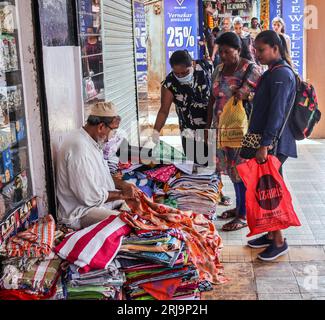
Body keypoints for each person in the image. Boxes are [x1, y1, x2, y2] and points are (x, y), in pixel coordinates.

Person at [152, 50, 232, 206]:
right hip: (189, 130)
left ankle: (218, 191)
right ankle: (202, 193)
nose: (181, 76)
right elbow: (163, 110)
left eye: (184, 72)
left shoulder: (206, 67)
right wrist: (155, 131)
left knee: (213, 162)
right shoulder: (170, 83)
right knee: (197, 162)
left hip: (211, 125)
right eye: (177, 73)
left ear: (193, 64)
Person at [246, 30, 297, 261]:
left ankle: (278, 241)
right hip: (265, 140)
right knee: (263, 188)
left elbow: (277, 113)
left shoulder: (281, 75)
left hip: (273, 143)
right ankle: (270, 235)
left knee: (269, 191)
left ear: (275, 48)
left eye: (261, 49)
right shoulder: (273, 72)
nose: (257, 54)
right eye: (255, 50)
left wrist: (265, 145)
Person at [206, 32, 261, 231]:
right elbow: (212, 99)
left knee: (241, 170)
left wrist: (248, 95)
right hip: (221, 130)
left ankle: (244, 215)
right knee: (230, 170)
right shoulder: (218, 69)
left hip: (241, 132)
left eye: (227, 52)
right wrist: (207, 126)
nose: (223, 55)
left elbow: (262, 98)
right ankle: (239, 207)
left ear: (238, 50)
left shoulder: (251, 69)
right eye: (220, 52)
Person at [56, 101, 141, 230]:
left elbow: (103, 176)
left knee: (139, 204)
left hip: (97, 204)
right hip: (81, 213)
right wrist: (121, 195)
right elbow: (89, 198)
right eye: (112, 131)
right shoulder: (79, 147)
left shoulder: (91, 141)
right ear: (101, 127)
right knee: (128, 223)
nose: (110, 138)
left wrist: (122, 185)